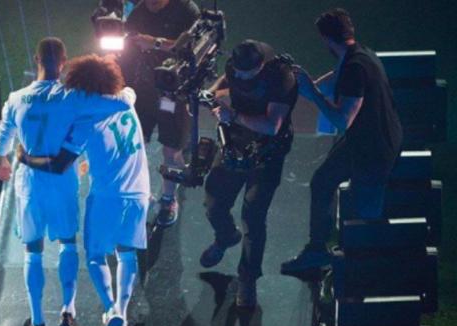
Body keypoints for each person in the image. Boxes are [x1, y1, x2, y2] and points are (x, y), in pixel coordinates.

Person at [0, 38, 130, 326]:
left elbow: (2, 140)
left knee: (33, 250)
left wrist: (3, 161)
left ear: (36, 59)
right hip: (63, 182)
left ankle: (37, 322)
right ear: (64, 60)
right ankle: (68, 309)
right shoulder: (73, 97)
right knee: (68, 244)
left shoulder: (16, 98)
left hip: (29, 184)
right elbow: (122, 103)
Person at [18, 54, 149, 326]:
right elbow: (128, 92)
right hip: (140, 194)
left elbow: (58, 164)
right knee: (127, 254)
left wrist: (25, 157)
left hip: (106, 197)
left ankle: (110, 306)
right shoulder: (127, 101)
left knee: (94, 256)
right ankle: (122, 317)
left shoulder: (84, 124)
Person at [281, 8, 403, 276]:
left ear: (326, 39)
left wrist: (311, 94)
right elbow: (337, 77)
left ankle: (371, 273)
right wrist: (309, 83)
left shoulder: (355, 67)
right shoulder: (359, 54)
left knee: (367, 214)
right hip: (366, 140)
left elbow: (341, 120)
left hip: (375, 149)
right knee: (323, 180)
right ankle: (317, 251)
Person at [199, 40, 298, 307]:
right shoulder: (235, 67)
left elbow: (272, 125)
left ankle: (248, 278)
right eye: (238, 73)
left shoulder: (281, 78)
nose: (241, 77)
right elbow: (226, 81)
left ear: (261, 66)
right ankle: (226, 236)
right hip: (236, 141)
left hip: (268, 150)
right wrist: (212, 95)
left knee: (253, 217)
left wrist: (233, 115)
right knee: (213, 202)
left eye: (248, 74)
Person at [120, 0, 200, 226]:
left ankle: (168, 199)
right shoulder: (137, 14)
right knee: (133, 144)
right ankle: (141, 192)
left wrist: (155, 43)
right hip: (143, 89)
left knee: (171, 149)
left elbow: (194, 48)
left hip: (175, 92)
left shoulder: (186, 10)